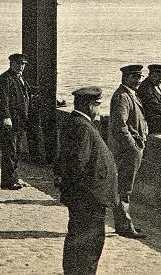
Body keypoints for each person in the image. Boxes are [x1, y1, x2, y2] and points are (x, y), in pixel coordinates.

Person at [55, 86, 119, 275]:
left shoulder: (74, 122)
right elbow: (77, 165)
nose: (99, 110)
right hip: (88, 200)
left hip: (83, 199)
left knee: (79, 242)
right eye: (97, 105)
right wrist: (85, 197)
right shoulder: (82, 126)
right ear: (90, 106)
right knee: (89, 246)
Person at [108, 64, 148, 238]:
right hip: (127, 150)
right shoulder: (122, 97)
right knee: (124, 188)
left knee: (126, 187)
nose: (138, 81)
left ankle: (124, 222)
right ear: (125, 78)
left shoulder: (131, 95)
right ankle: (125, 225)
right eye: (135, 77)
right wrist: (132, 145)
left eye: (139, 77)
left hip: (132, 148)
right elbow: (119, 125)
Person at [0, 52, 30, 190]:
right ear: (11, 64)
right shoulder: (5, 78)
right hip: (9, 121)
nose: (21, 67)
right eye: (18, 64)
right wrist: (6, 117)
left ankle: (14, 177)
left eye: (23, 64)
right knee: (9, 150)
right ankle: (8, 181)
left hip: (20, 121)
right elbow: (4, 100)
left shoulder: (20, 78)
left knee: (16, 150)